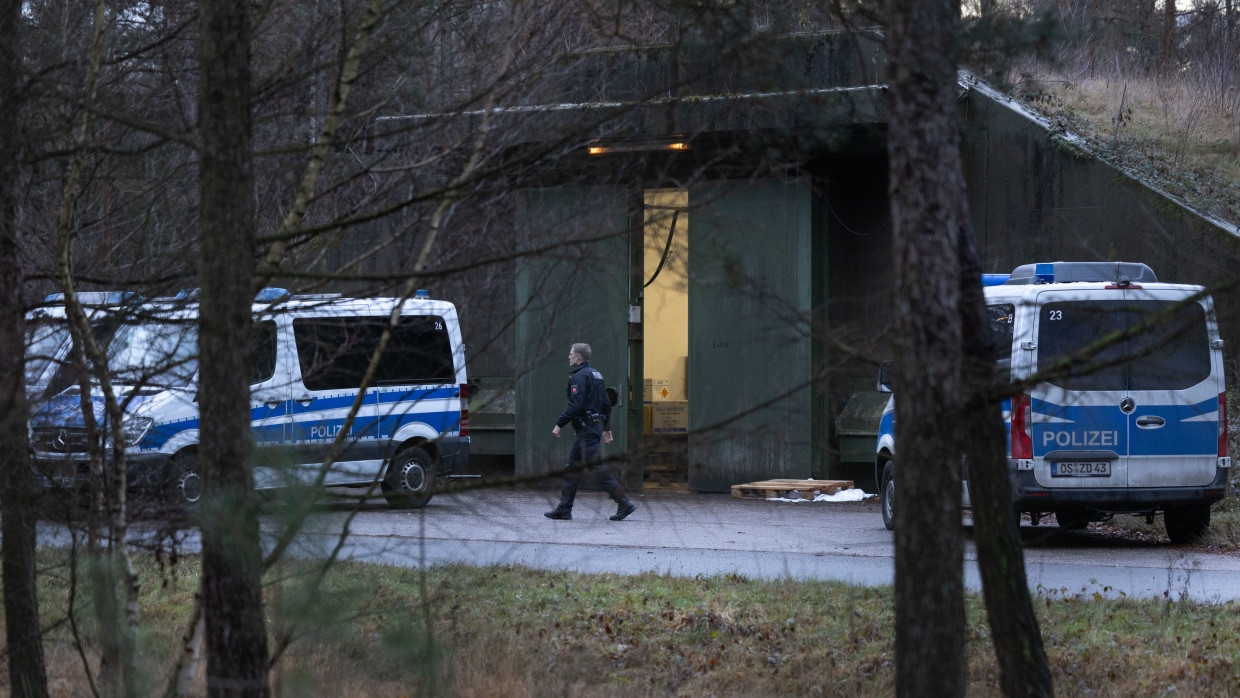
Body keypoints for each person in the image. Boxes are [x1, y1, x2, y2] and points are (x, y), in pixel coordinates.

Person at [544, 343, 636, 521]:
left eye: (571, 354)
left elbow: (575, 405)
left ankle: (623, 502)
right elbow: (606, 405)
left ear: (578, 357)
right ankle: (564, 508)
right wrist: (606, 428)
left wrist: (559, 424)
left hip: (586, 430)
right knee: (572, 469)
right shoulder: (597, 375)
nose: (568, 356)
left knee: (597, 468)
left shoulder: (579, 377)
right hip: (591, 428)